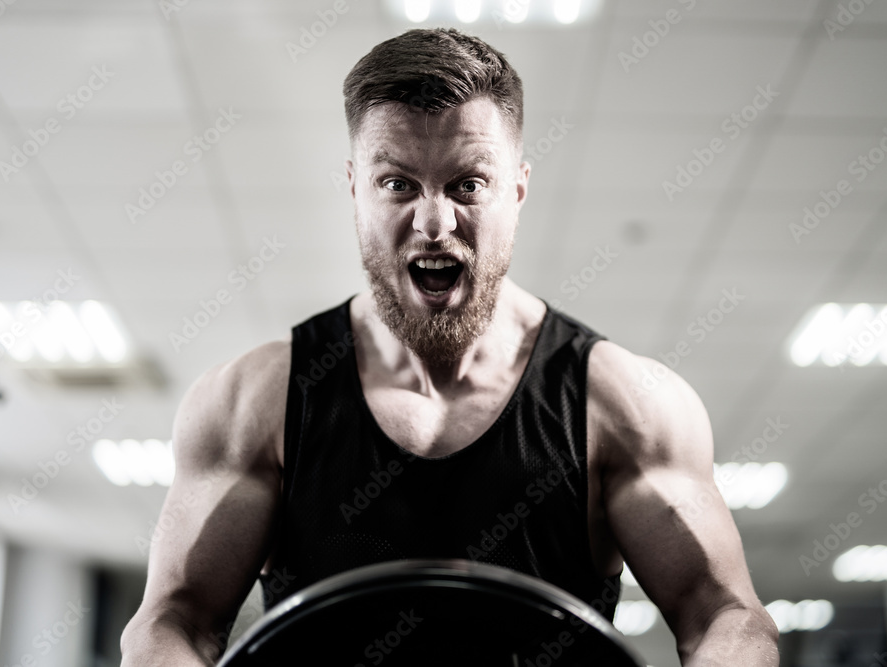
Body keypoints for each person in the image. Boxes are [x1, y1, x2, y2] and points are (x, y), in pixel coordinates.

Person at [121, 27, 779, 666]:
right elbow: (171, 622)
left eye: (467, 184)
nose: (435, 223)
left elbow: (726, 616)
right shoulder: (252, 403)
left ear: (517, 188)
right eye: (398, 183)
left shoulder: (625, 405)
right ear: (355, 188)